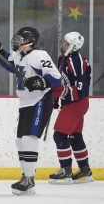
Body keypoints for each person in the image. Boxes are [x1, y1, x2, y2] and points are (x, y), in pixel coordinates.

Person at [0, 27, 61, 195]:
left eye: (20, 39)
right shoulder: (18, 55)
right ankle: (26, 176)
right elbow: (10, 66)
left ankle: (29, 179)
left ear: (29, 41)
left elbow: (55, 77)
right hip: (25, 103)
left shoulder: (40, 55)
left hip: (40, 101)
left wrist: (41, 81)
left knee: (28, 138)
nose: (16, 41)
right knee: (20, 141)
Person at [49, 32, 93, 184]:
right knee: (74, 136)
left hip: (77, 102)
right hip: (72, 102)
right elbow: (61, 81)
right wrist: (56, 98)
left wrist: (59, 92)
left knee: (59, 135)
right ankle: (85, 171)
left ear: (73, 46)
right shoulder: (64, 58)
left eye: (66, 43)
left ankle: (66, 171)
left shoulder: (77, 61)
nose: (63, 45)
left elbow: (80, 90)